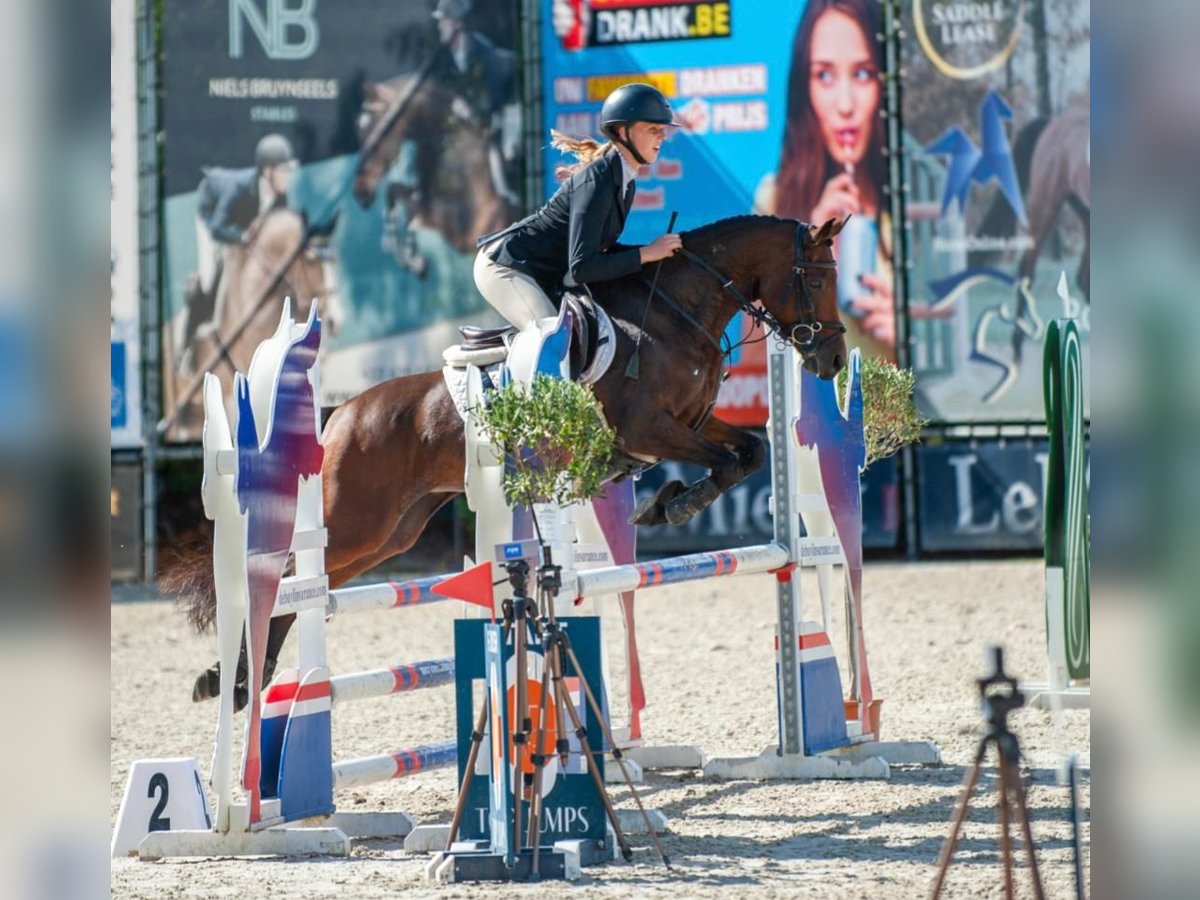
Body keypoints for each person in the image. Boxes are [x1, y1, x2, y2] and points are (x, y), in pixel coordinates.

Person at [473, 82, 683, 337]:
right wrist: (645, 254)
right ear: (622, 131)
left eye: (663, 129)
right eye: (653, 128)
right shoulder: (599, 179)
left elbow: (601, 255)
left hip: (537, 272)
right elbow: (583, 267)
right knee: (553, 336)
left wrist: (655, 254)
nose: (662, 135)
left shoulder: (625, 183)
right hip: (505, 266)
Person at [755, 0, 895, 360]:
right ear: (806, 89)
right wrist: (807, 242)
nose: (845, 103)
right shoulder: (775, 199)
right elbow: (753, 357)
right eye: (825, 75)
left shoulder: (911, 199)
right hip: (815, 401)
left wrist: (910, 333)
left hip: (905, 405)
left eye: (862, 73)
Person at [179, 134, 296, 373]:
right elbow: (217, 227)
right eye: (283, 170)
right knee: (209, 277)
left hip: (241, 227)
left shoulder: (281, 196)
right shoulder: (238, 189)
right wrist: (242, 237)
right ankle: (188, 346)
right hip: (212, 219)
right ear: (267, 172)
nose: (287, 176)